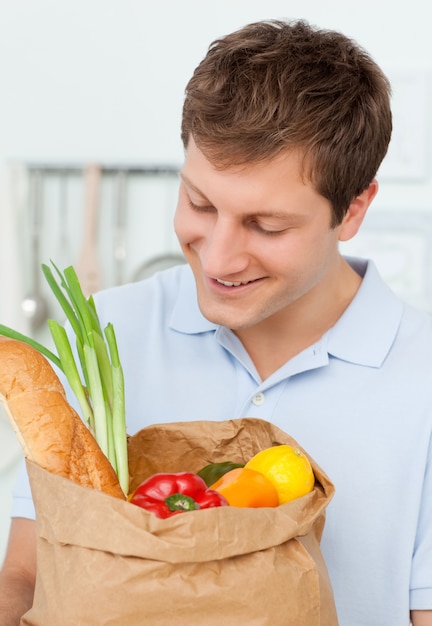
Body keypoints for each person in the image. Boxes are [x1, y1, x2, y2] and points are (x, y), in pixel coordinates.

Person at [1, 18, 432, 626]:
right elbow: (26, 574)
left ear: (354, 207)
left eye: (267, 226)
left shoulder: (422, 380)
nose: (220, 257)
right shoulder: (108, 336)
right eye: (200, 204)